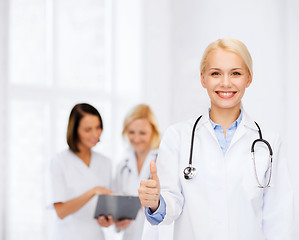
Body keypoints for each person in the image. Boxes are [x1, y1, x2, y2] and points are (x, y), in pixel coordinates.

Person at [138, 38, 294, 240]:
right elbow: (170, 204)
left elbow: (279, 219)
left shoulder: (269, 142)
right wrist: (156, 202)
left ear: (249, 78)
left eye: (236, 73)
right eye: (215, 73)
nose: (226, 82)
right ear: (203, 79)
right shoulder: (177, 137)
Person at [47, 103, 113, 240]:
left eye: (98, 127)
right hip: (68, 235)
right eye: (88, 129)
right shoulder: (59, 161)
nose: (95, 134)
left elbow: (105, 207)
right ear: (75, 130)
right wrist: (93, 191)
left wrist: (107, 220)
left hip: (96, 236)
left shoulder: (105, 162)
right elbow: (61, 211)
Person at [113, 104, 173, 240]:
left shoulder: (164, 161)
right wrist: (118, 222)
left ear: (153, 131)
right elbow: (117, 209)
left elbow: (171, 204)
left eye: (142, 133)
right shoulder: (122, 167)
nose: (136, 138)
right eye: (131, 132)